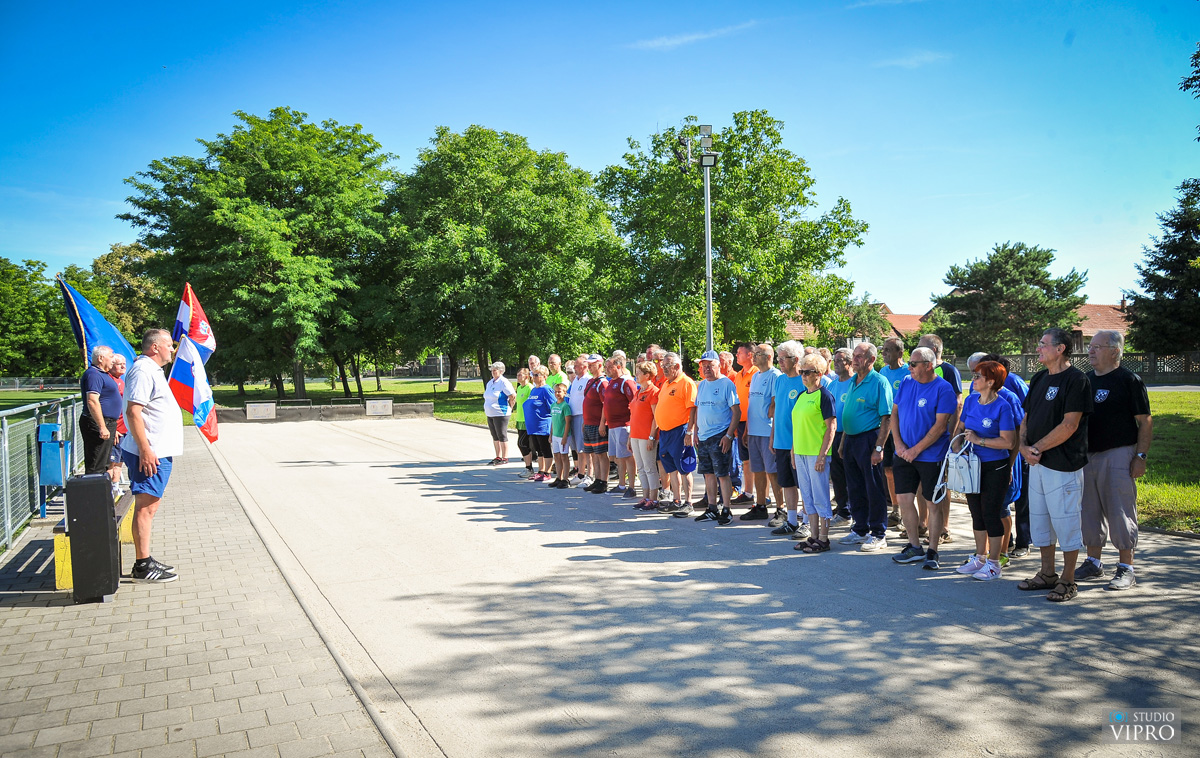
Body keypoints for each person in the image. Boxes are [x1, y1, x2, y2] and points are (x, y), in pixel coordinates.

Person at [1017, 327, 1093, 603]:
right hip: (1036, 463)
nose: (1038, 349)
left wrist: (1036, 448)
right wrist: (1024, 446)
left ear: (1060, 349)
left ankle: (1068, 579)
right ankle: (1047, 574)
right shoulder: (1038, 378)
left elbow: (1070, 424)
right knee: (1040, 521)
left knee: (1066, 522)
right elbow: (1026, 418)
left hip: (1064, 465)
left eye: (1043, 344)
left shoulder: (1077, 380)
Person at [1077, 330, 1152, 590]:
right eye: (1091, 346)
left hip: (1118, 453)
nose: (1091, 351)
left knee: (1120, 511)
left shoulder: (1129, 380)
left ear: (1115, 351)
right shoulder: (1086, 380)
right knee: (1089, 511)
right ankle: (1093, 562)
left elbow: (1145, 421)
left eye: (1097, 346)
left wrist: (1140, 456)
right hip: (1088, 456)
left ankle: (1126, 567)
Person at [121, 329, 183, 583]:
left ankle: (144, 559)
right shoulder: (143, 370)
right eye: (169, 345)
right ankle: (143, 565)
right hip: (149, 453)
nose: (173, 349)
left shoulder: (152, 370)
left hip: (157, 452)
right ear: (155, 347)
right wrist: (146, 449)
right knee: (146, 508)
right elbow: (134, 412)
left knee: (150, 506)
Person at [951, 360, 1019, 580]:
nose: (974, 378)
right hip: (971, 466)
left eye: (978, 375)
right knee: (976, 513)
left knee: (991, 513)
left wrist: (980, 441)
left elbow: (1009, 442)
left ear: (991, 381)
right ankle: (979, 558)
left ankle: (994, 563)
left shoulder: (1003, 406)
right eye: (974, 374)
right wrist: (957, 446)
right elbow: (960, 428)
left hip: (994, 467)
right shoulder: (971, 400)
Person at [888, 347, 957, 567]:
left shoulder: (943, 389)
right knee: (905, 500)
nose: (909, 367)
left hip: (930, 456)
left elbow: (939, 426)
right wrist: (899, 445)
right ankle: (914, 547)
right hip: (904, 454)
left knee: (932, 504)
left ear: (928, 365)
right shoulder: (907, 382)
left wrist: (915, 450)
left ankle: (933, 551)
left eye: (914, 364)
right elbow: (894, 414)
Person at [838, 342, 893, 551]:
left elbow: (886, 418)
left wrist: (878, 448)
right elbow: (848, 415)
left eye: (860, 356)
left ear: (871, 360)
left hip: (869, 439)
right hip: (851, 439)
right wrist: (843, 442)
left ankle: (878, 533)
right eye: (855, 355)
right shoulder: (854, 380)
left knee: (873, 488)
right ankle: (859, 529)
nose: (855, 359)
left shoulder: (879, 382)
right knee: (855, 487)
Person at [917, 333, 964, 546]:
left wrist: (952, 436)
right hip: (919, 440)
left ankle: (943, 528)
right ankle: (922, 524)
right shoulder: (916, 372)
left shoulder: (948, 371)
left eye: (922, 347)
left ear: (934, 351)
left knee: (940, 484)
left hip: (941, 438)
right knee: (921, 484)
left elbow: (957, 404)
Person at [791, 353, 837, 553]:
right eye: (801, 371)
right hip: (801, 451)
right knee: (807, 496)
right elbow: (797, 425)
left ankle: (824, 539)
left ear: (818, 374)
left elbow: (831, 427)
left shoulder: (825, 395)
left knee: (820, 495)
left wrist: (822, 455)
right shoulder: (802, 395)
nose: (803, 375)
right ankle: (814, 535)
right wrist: (793, 450)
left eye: (807, 372)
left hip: (815, 453)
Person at [688, 351, 740, 525]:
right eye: (703, 366)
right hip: (703, 437)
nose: (706, 369)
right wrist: (694, 431)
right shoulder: (702, 385)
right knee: (708, 474)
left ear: (719, 365)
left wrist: (728, 435)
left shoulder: (726, 384)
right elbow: (696, 408)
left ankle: (726, 509)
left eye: (710, 365)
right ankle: (711, 508)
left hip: (719, 436)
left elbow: (736, 412)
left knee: (723, 474)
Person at [766, 341, 810, 537]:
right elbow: (777, 410)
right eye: (779, 358)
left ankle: (808, 522)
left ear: (796, 360)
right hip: (781, 441)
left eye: (783, 358)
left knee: (804, 484)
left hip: (800, 443)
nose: (780, 362)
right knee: (787, 483)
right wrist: (773, 435)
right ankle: (792, 521)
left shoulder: (805, 381)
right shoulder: (780, 380)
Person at [653, 352, 698, 514]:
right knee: (671, 468)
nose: (663, 369)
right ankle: (676, 500)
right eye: (662, 366)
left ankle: (689, 502)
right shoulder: (666, 383)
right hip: (665, 433)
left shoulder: (686, 383)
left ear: (677, 366)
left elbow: (692, 408)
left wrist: (690, 431)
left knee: (684, 467)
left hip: (680, 431)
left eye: (667, 366)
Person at [742, 344, 782, 521]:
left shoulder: (775, 376)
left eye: (758, 354)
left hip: (767, 431)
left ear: (769, 357)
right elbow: (752, 404)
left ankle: (781, 509)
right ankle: (760, 505)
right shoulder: (756, 376)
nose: (754, 357)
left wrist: (773, 430)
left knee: (772, 471)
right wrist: (747, 429)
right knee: (757, 469)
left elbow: (774, 404)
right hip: (754, 431)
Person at [878, 337, 911, 529]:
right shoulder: (882, 372)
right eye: (883, 350)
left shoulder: (908, 372)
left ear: (900, 353)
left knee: (904, 471)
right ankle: (896, 510)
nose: (884, 353)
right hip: (886, 429)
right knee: (888, 470)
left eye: (888, 350)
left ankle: (910, 512)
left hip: (903, 429)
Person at [80, 345, 121, 476]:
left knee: (104, 463)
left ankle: (101, 492)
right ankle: (93, 494)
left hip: (108, 422)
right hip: (98, 423)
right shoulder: (94, 374)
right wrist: (102, 426)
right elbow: (92, 400)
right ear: (101, 358)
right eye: (110, 357)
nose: (113, 360)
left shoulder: (104, 374)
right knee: (96, 463)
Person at [601, 355, 638, 497]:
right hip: (613, 425)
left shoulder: (626, 382)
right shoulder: (611, 382)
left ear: (618, 366)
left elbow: (635, 404)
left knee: (628, 456)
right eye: (606, 367)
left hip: (624, 425)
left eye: (609, 367)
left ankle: (632, 487)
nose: (607, 370)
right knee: (619, 457)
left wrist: (632, 425)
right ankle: (621, 485)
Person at [828, 348, 855, 523]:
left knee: (851, 476)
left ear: (850, 362)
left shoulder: (855, 383)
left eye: (840, 360)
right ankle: (843, 510)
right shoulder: (832, 384)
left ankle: (855, 510)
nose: (836, 363)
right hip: (833, 435)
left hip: (851, 435)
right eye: (834, 360)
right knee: (837, 476)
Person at [629, 361, 661, 509]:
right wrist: (630, 437)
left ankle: (654, 498)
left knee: (649, 467)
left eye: (639, 373)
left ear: (647, 375)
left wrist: (651, 436)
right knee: (641, 468)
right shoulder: (638, 391)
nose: (636, 375)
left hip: (646, 435)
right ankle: (645, 496)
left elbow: (656, 417)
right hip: (635, 434)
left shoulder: (653, 391)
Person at [731, 342, 758, 506]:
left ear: (750, 355)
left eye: (739, 352)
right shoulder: (739, 374)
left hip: (754, 423)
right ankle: (748, 492)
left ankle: (764, 496)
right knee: (745, 460)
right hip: (740, 422)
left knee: (757, 460)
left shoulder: (756, 373)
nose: (736, 355)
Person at [582, 354, 611, 493]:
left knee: (601, 454)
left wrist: (602, 423)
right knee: (593, 454)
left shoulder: (602, 383)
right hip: (588, 423)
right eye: (589, 364)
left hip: (597, 424)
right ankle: (597, 479)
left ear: (600, 365)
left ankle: (603, 481)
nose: (590, 366)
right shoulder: (590, 381)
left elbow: (606, 404)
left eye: (592, 364)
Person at [523, 367, 555, 481]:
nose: (534, 377)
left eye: (537, 375)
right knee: (538, 450)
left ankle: (547, 472)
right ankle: (541, 471)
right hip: (533, 426)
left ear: (544, 376)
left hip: (543, 426)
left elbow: (553, 407)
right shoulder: (534, 390)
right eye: (533, 374)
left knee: (545, 449)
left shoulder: (546, 390)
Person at [483, 362, 516, 465]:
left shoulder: (504, 382)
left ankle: (504, 457)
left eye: (495, 370)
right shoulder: (490, 382)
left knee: (501, 435)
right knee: (495, 435)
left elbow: (512, 396)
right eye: (492, 370)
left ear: (501, 371)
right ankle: (497, 456)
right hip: (490, 413)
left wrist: (510, 407)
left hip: (500, 413)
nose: (493, 372)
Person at [106, 353, 128, 498]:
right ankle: (107, 490)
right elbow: (105, 407)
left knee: (119, 462)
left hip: (124, 428)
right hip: (115, 429)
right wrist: (111, 429)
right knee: (111, 463)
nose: (123, 366)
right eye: (119, 363)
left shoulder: (121, 381)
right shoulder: (109, 381)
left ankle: (115, 488)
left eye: (124, 363)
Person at [568, 355, 591, 484]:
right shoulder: (576, 380)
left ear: (584, 366)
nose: (574, 368)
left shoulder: (587, 379)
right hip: (573, 415)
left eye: (576, 365)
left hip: (582, 415)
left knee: (584, 447)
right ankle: (580, 473)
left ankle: (587, 474)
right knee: (577, 447)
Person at [548, 381, 573, 489]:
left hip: (563, 435)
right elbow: (553, 421)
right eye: (556, 392)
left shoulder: (565, 406)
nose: (557, 394)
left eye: (560, 392)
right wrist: (551, 434)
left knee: (564, 456)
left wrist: (564, 436)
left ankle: (565, 478)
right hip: (555, 435)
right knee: (557, 456)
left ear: (564, 393)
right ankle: (558, 477)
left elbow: (568, 422)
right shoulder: (553, 405)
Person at [512, 368, 534, 477]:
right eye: (517, 375)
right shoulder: (520, 388)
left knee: (521, 443)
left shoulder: (530, 387)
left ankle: (529, 467)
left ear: (526, 376)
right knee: (524, 444)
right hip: (520, 419)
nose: (518, 377)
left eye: (520, 375)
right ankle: (528, 467)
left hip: (527, 420)